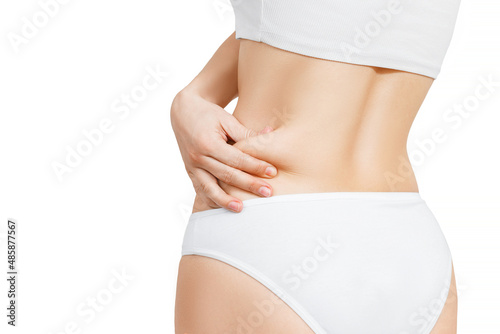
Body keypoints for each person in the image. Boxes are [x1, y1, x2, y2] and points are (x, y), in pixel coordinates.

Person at [171, 1, 461, 333]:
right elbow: (314, 24)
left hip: (269, 230)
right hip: (410, 243)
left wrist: (194, 96)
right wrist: (197, 94)